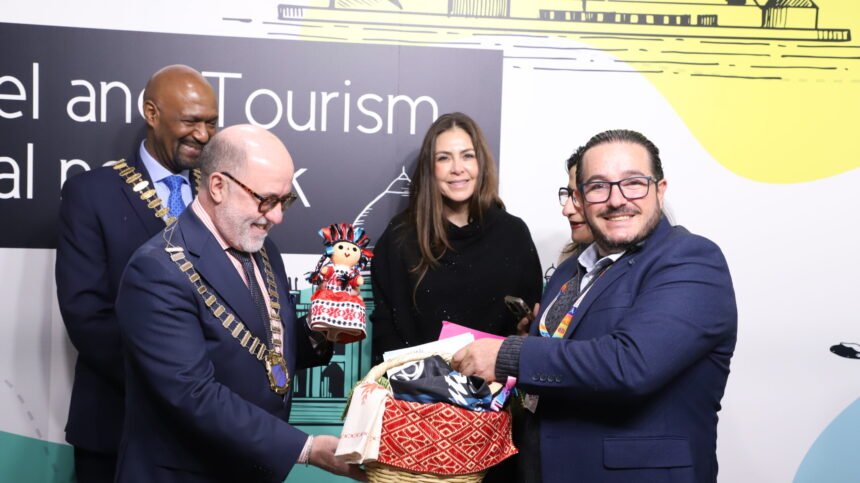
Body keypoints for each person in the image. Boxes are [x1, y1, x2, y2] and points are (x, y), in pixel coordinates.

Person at [452, 129, 738, 482]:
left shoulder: (691, 259)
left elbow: (630, 364)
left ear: (660, 190)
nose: (616, 199)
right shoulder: (569, 270)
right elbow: (563, 365)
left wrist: (508, 355)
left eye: (633, 183)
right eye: (599, 186)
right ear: (581, 197)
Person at [114, 124, 365, 482]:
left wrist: (318, 329)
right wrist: (305, 448)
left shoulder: (263, 249)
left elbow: (261, 350)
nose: (277, 216)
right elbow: (192, 394)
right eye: (267, 200)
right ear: (218, 186)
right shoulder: (157, 269)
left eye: (284, 201)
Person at [55, 64, 218, 483]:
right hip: (117, 424)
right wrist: (174, 383)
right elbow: (86, 314)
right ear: (152, 113)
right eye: (191, 121)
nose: (203, 135)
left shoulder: (220, 193)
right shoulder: (91, 193)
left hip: (210, 432)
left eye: (211, 123)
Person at [370, 112, 543, 365]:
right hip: (416, 386)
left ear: (481, 163)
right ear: (430, 168)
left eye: (467, 156)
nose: (457, 168)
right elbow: (386, 331)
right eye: (444, 158)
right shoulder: (401, 237)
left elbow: (529, 327)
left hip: (496, 384)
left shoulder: (514, 234)